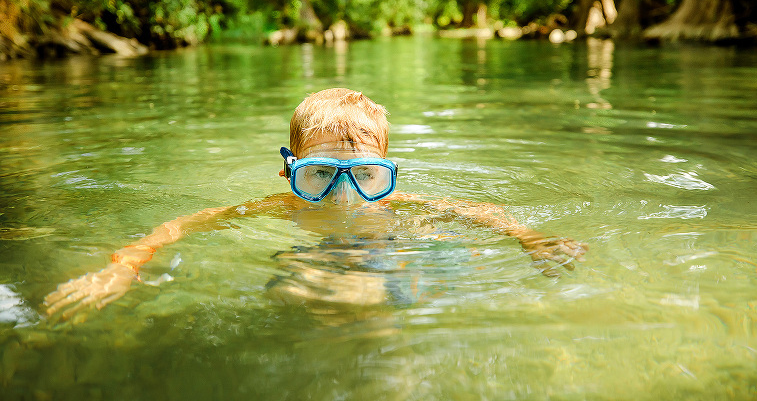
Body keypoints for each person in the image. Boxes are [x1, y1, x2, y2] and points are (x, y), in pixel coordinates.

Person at [44, 88, 587, 319]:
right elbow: (178, 226)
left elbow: (478, 213)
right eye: (320, 174)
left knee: (364, 298)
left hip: (388, 257)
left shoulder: (397, 210)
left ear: (389, 175)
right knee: (298, 295)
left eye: (367, 176)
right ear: (290, 172)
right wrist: (121, 269)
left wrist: (531, 239)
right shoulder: (283, 207)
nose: (344, 195)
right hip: (320, 265)